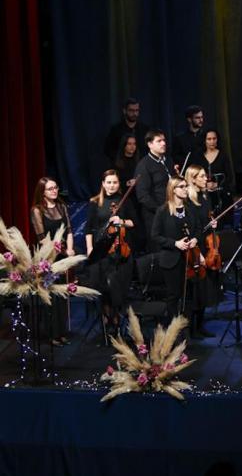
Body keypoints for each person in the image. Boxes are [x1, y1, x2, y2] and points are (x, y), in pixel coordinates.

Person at [85, 170, 137, 336]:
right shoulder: (95, 202)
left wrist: (121, 221)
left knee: (118, 287)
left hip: (120, 251)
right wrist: (89, 250)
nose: (112, 185)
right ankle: (107, 319)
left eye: (115, 182)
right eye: (109, 182)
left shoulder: (125, 201)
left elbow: (133, 222)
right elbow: (88, 229)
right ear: (103, 183)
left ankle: (117, 319)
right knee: (104, 288)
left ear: (118, 184)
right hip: (101, 250)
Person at [30, 177, 75, 346]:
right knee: (52, 297)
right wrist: (62, 251)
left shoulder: (62, 206)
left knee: (62, 294)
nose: (54, 191)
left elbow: (69, 230)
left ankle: (62, 332)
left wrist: (70, 251)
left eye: (55, 187)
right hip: (48, 258)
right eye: (50, 189)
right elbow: (42, 238)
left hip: (64, 254)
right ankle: (52, 334)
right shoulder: (37, 210)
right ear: (42, 192)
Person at [150, 177, 202, 321]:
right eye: (182, 186)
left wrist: (195, 239)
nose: (186, 189)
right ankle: (174, 328)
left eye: (186, 186)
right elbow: (155, 236)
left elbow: (198, 228)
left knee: (190, 294)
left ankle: (189, 327)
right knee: (174, 295)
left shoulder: (190, 210)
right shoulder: (163, 211)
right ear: (173, 189)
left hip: (190, 258)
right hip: (171, 259)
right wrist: (175, 244)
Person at [184, 166, 220, 338]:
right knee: (196, 286)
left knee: (205, 286)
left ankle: (200, 325)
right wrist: (197, 250)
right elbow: (192, 227)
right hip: (195, 245)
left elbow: (207, 218)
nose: (206, 179)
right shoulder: (189, 201)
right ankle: (191, 328)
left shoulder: (205, 197)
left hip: (207, 242)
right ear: (192, 179)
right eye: (202, 176)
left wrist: (212, 222)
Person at [134, 129, 173, 251]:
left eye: (164, 140)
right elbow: (142, 196)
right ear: (150, 144)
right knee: (160, 251)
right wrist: (160, 210)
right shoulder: (143, 165)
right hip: (156, 216)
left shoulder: (168, 160)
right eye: (159, 141)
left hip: (172, 211)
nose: (163, 143)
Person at [194, 129, 235, 214]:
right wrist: (205, 185)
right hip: (204, 196)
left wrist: (217, 184)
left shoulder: (223, 155)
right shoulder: (198, 156)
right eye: (209, 139)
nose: (212, 141)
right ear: (204, 141)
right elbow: (194, 175)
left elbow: (230, 177)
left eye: (214, 138)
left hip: (221, 196)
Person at [104, 97, 149, 163]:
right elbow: (108, 149)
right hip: (121, 166)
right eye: (131, 110)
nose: (134, 114)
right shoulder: (116, 129)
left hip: (141, 165)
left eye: (137, 110)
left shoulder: (145, 129)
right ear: (124, 111)